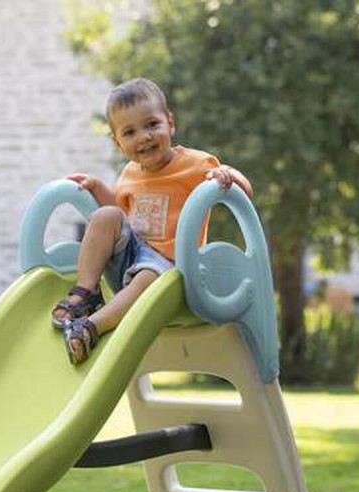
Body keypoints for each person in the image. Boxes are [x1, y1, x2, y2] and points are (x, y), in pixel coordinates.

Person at [51, 77, 253, 364]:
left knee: (148, 273)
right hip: (132, 259)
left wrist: (229, 176)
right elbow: (122, 215)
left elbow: (245, 192)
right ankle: (86, 292)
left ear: (170, 123)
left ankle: (92, 326)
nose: (144, 136)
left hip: (174, 268)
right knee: (105, 216)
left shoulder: (196, 164)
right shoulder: (130, 173)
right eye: (130, 132)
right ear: (118, 142)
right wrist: (97, 188)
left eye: (152, 125)